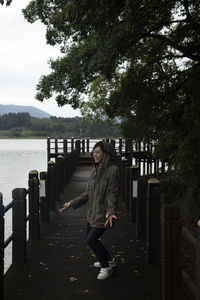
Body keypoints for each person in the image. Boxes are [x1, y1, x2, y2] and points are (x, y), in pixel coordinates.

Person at [59, 141, 120, 280]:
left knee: (91, 240)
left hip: (103, 213)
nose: (95, 155)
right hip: (92, 212)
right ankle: (109, 259)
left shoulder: (113, 170)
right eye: (94, 153)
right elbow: (87, 192)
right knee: (90, 239)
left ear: (106, 154)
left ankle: (106, 267)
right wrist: (72, 203)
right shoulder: (94, 170)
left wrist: (111, 211)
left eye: (98, 152)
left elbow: (112, 193)